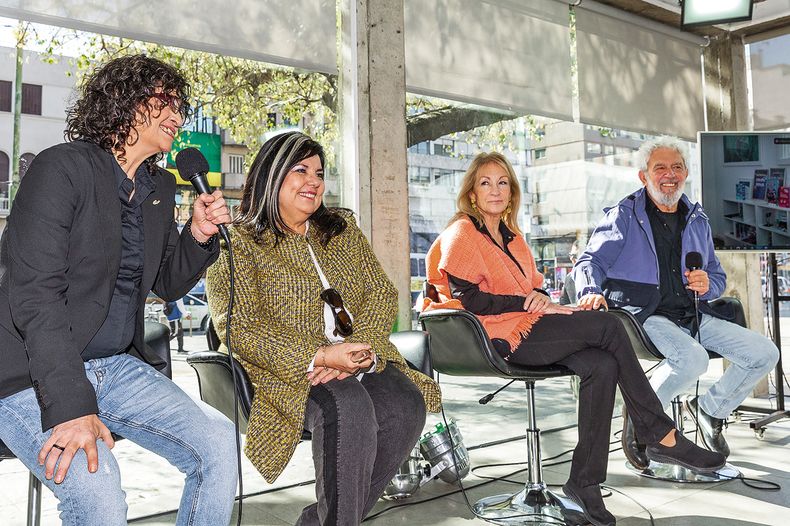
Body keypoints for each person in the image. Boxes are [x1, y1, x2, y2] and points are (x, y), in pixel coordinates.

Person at [423, 152, 724, 526]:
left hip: (525, 325)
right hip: (492, 336)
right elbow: (470, 298)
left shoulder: (513, 238)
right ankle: (657, 431)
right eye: (485, 182)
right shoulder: (463, 233)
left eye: (503, 182)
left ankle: (584, 482)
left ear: (512, 191)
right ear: (472, 193)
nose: (495, 190)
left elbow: (532, 290)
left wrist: (541, 300)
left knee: (603, 363)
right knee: (611, 326)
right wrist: (529, 301)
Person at [0, 55, 238, 526]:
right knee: (99, 487)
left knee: (219, 442)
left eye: (181, 106)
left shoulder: (158, 187)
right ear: (123, 102)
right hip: (31, 370)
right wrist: (70, 408)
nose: (177, 114)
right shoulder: (61, 170)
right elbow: (34, 295)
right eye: (163, 101)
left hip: (113, 367)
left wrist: (198, 235)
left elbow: (164, 283)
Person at [206, 131, 441, 525]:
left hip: (359, 357)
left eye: (319, 171)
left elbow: (381, 292)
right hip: (289, 373)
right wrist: (319, 356)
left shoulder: (341, 229)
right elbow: (238, 327)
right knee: (346, 405)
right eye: (301, 170)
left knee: (405, 404)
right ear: (271, 175)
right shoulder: (238, 243)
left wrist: (359, 347)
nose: (314, 181)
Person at [574, 137, 779, 466]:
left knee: (765, 353)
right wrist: (589, 290)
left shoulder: (698, 219)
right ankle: (645, 421)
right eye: (660, 168)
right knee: (693, 359)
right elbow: (589, 263)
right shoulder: (624, 215)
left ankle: (711, 410)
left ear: (686, 173)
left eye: (677, 167)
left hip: (694, 315)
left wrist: (707, 284)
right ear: (644, 176)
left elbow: (718, 279)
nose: (670, 175)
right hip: (646, 314)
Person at [559, 241, 579, 306]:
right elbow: (563, 306)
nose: (571, 259)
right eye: (571, 255)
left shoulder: (606, 276)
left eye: (575, 256)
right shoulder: (569, 278)